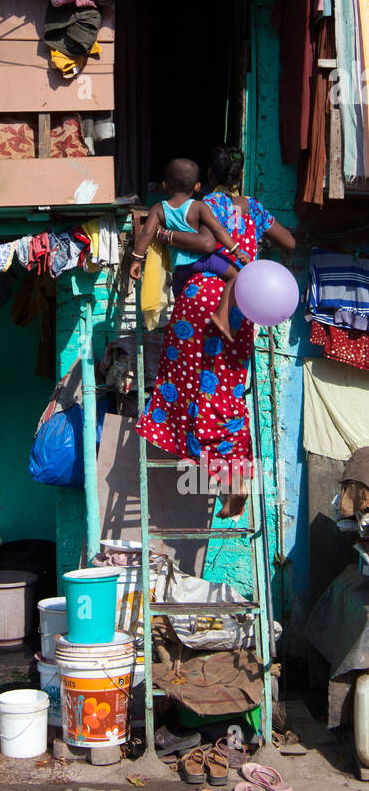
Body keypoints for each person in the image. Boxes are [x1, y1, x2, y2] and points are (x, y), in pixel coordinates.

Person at [136, 147, 295, 518]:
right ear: (240, 175)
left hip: (198, 299)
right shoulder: (252, 208)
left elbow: (205, 245)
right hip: (240, 303)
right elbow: (288, 242)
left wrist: (160, 236)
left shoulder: (197, 205)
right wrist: (254, 253)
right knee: (227, 388)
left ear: (207, 175)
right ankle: (233, 476)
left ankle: (198, 456)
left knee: (185, 380)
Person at [130, 158, 250, 343]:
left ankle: (183, 335)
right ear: (197, 186)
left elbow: (146, 233)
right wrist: (237, 251)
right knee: (236, 275)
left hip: (180, 270)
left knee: (180, 305)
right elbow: (218, 230)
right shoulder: (198, 207)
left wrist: (136, 260)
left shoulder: (158, 209)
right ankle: (222, 315)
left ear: (164, 185)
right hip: (203, 260)